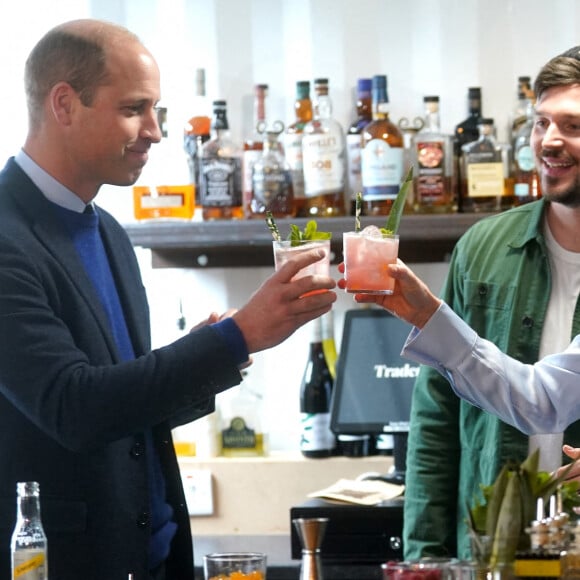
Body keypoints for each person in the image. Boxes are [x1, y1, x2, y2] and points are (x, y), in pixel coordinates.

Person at [0, 19, 337, 580]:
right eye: (134, 109)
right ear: (64, 104)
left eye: (157, 110)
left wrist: (221, 348)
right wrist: (233, 337)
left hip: (154, 559)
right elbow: (74, 407)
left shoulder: (109, 231)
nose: (155, 132)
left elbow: (128, 408)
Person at [340, 45, 580, 560]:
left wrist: (428, 316)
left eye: (573, 125)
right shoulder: (484, 247)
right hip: (489, 545)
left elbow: (540, 400)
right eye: (541, 123)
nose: (550, 140)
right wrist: (423, 554)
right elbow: (436, 412)